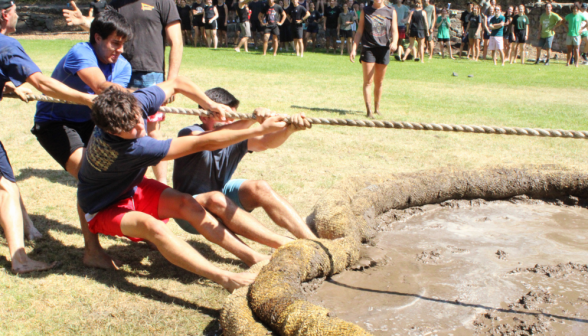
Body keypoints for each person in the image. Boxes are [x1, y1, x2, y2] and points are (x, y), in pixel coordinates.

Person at [78, 79, 291, 292]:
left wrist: (209, 104)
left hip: (131, 186)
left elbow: (176, 83)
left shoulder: (128, 105)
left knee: (186, 203)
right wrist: (257, 128)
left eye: (138, 118)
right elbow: (204, 142)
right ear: (113, 132)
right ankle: (226, 278)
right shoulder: (133, 148)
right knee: (152, 227)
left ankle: (253, 257)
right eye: (131, 129)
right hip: (102, 207)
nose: (140, 126)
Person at [0, 0, 95, 273]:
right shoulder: (7, 46)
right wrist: (88, 99)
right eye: (15, 10)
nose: (18, 14)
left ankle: (26, 232)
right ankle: (20, 260)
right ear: (5, 15)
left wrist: (8, 85)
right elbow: (42, 83)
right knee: (6, 187)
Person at [63, 0, 183, 186]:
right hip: (114, 68)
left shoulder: (163, 2)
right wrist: (84, 23)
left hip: (148, 72)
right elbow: (109, 29)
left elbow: (176, 41)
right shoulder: (115, 2)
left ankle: (161, 183)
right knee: (118, 128)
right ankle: (126, 179)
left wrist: (170, 81)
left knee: (149, 130)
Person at [172, 88, 317, 240]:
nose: (229, 121)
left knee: (260, 187)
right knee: (216, 198)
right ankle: (284, 244)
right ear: (204, 116)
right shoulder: (189, 133)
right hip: (187, 210)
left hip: (218, 198)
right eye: (224, 115)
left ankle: (313, 241)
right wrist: (251, 119)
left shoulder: (236, 138)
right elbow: (211, 141)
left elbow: (265, 142)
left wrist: (289, 130)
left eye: (233, 116)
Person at [32, 10, 132, 181]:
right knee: (89, 176)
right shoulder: (81, 52)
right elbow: (101, 87)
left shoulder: (124, 67)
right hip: (54, 122)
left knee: (114, 175)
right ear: (98, 38)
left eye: (123, 44)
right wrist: (141, 94)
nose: (120, 50)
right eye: (115, 43)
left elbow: (114, 103)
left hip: (90, 122)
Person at [350, 0, 398, 118]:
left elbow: (395, 31)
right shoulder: (365, 11)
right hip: (368, 48)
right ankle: (369, 110)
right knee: (368, 81)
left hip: (383, 49)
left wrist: (395, 42)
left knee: (379, 82)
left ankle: (377, 108)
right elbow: (359, 31)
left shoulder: (391, 11)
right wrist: (354, 48)